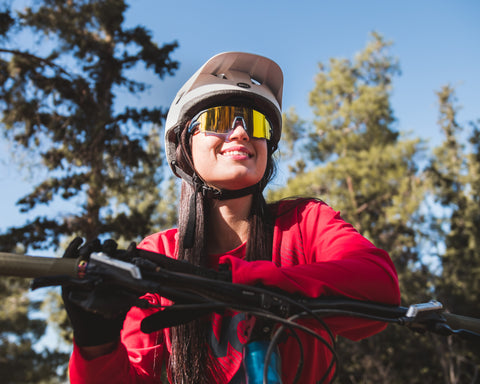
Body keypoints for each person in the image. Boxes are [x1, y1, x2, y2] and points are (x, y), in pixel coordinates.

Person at [64, 52, 401, 383]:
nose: (241, 133)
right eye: (219, 119)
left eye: (256, 123)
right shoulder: (161, 254)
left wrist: (242, 283)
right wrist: (96, 342)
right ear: (185, 146)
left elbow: (379, 286)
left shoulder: (305, 224)